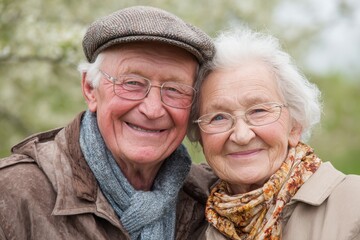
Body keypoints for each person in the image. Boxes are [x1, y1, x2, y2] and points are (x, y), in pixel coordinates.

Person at [0, 6, 218, 240]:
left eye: (175, 89)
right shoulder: (13, 193)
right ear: (90, 89)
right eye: (132, 83)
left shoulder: (214, 200)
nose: (153, 109)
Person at [187, 27, 360, 240]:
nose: (241, 135)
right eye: (219, 117)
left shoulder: (353, 205)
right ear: (201, 138)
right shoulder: (191, 220)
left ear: (295, 126)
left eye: (259, 111)